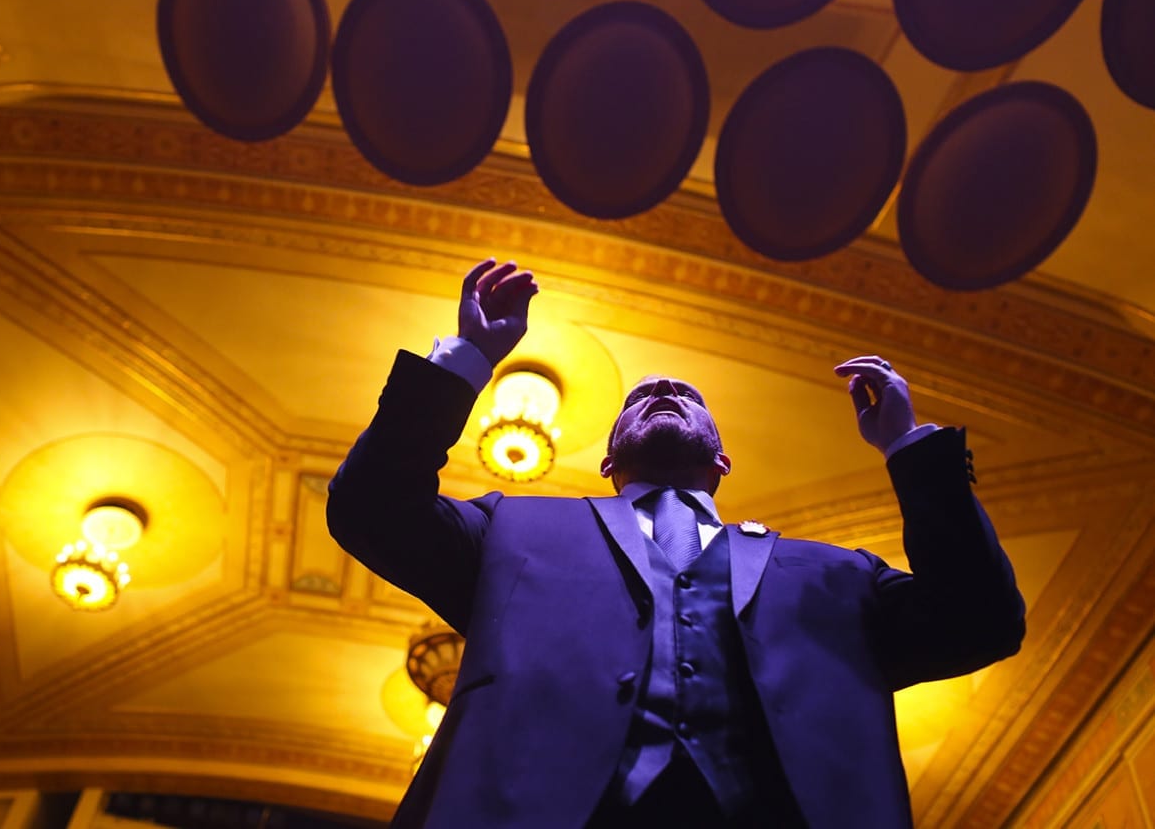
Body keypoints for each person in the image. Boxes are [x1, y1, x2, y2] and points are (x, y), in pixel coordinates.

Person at [327, 258, 1025, 829]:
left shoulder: (835, 576)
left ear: (723, 460)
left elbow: (981, 619)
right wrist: (468, 358)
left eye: (684, 395)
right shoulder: (511, 532)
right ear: (607, 461)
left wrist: (908, 446)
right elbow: (371, 507)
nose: (662, 386)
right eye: (641, 399)